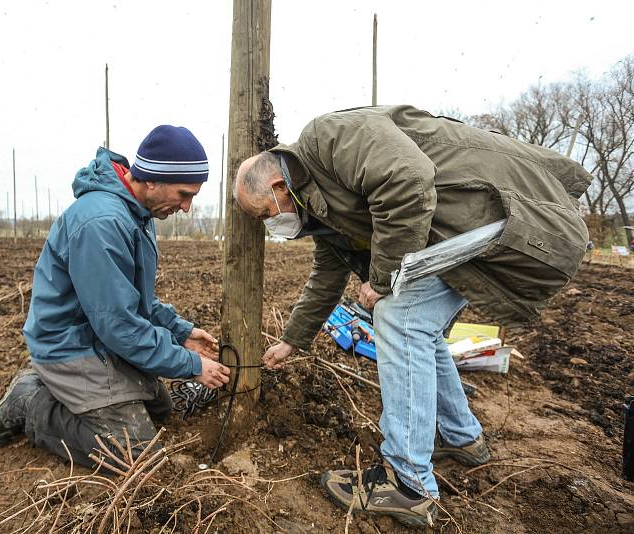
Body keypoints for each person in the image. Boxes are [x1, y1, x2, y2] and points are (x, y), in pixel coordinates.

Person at [234, 105, 590, 528]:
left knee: (399, 319)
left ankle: (408, 485)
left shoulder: (327, 139)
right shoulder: (321, 208)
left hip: (503, 223)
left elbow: (408, 180)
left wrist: (382, 280)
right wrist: (293, 339)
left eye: (265, 215)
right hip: (466, 238)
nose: (271, 225)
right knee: (420, 329)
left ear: (278, 187)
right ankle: (463, 438)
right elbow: (325, 277)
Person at [0, 125, 231, 469]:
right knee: (137, 457)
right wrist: (191, 366)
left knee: (160, 409)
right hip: (71, 346)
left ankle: (71, 396)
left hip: (99, 338)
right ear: (153, 179)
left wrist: (181, 333)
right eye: (184, 194)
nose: (187, 207)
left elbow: (131, 300)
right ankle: (31, 403)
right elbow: (119, 325)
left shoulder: (137, 214)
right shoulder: (102, 222)